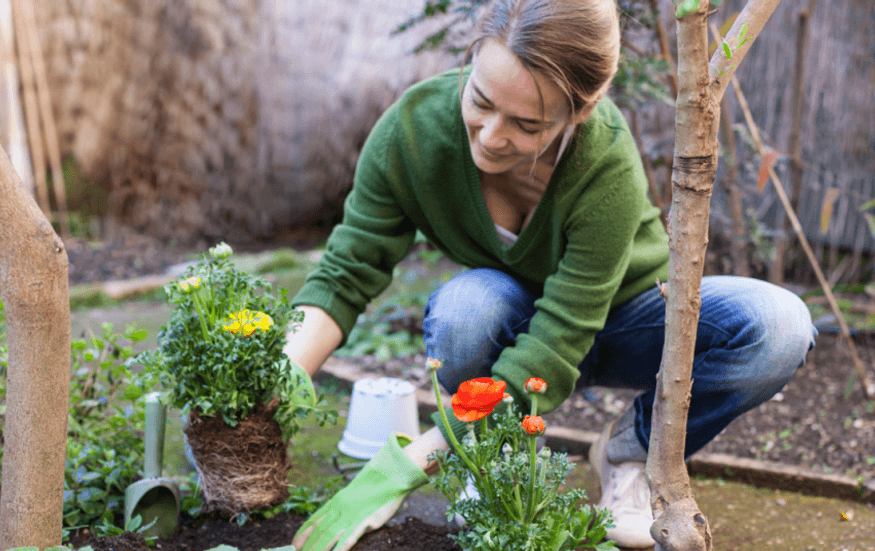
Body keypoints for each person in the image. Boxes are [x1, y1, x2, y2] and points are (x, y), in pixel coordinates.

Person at [282, 0, 816, 549]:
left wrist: (407, 464)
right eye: (480, 101)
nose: (491, 136)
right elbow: (347, 272)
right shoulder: (414, 133)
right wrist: (277, 384)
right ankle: (499, 453)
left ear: (580, 112)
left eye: (527, 125)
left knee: (778, 326)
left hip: (627, 321)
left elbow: (559, 339)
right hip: (513, 326)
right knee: (466, 312)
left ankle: (629, 452)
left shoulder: (603, 158)